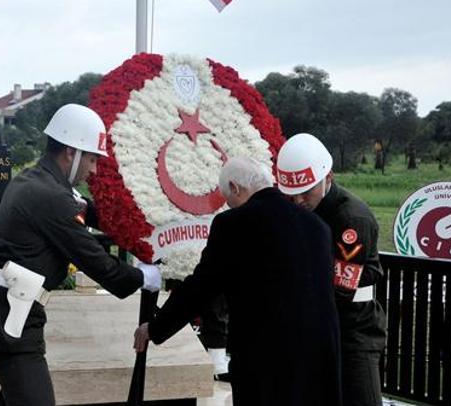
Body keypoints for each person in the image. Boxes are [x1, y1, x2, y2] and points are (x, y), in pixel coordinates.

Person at [0, 103, 161, 406]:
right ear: (71, 152)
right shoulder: (50, 196)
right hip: (6, 315)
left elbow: (87, 212)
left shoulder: (36, 181)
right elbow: (100, 264)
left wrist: (137, 224)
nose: (93, 169)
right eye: (92, 160)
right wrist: (144, 275)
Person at [134, 156, 342, 406]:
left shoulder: (234, 224)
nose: (228, 206)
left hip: (268, 358)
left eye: (227, 198)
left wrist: (155, 328)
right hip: (321, 354)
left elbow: (201, 287)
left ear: (235, 187)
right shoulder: (318, 226)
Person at [277, 133, 387, 406]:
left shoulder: (351, 218)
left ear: (328, 178)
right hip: (314, 322)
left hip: (354, 327)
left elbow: (339, 289)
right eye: (291, 194)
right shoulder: (300, 207)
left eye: (307, 191)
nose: (299, 200)